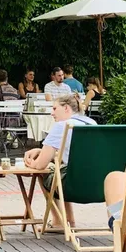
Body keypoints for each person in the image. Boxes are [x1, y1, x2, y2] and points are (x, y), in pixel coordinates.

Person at [23, 93, 97, 229]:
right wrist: (41, 152)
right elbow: (75, 154)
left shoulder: (62, 126)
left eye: (55, 108)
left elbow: (40, 164)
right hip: (97, 185)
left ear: (67, 108)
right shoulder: (92, 123)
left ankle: (58, 220)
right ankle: (69, 219)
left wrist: (30, 163)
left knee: (45, 172)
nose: (52, 113)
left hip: (72, 185)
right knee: (61, 169)